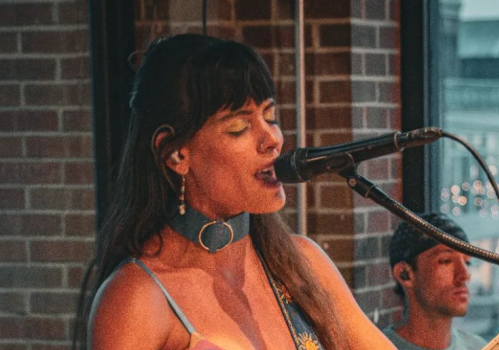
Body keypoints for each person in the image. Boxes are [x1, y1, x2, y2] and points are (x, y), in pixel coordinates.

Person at [73, 33, 396, 350]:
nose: (272, 138)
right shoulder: (137, 297)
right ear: (176, 154)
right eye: (239, 127)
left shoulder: (301, 263)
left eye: (270, 117)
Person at [383, 213, 487, 350]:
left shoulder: (480, 347)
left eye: (467, 263)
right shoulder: (375, 346)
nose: (465, 275)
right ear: (405, 274)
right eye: (446, 261)